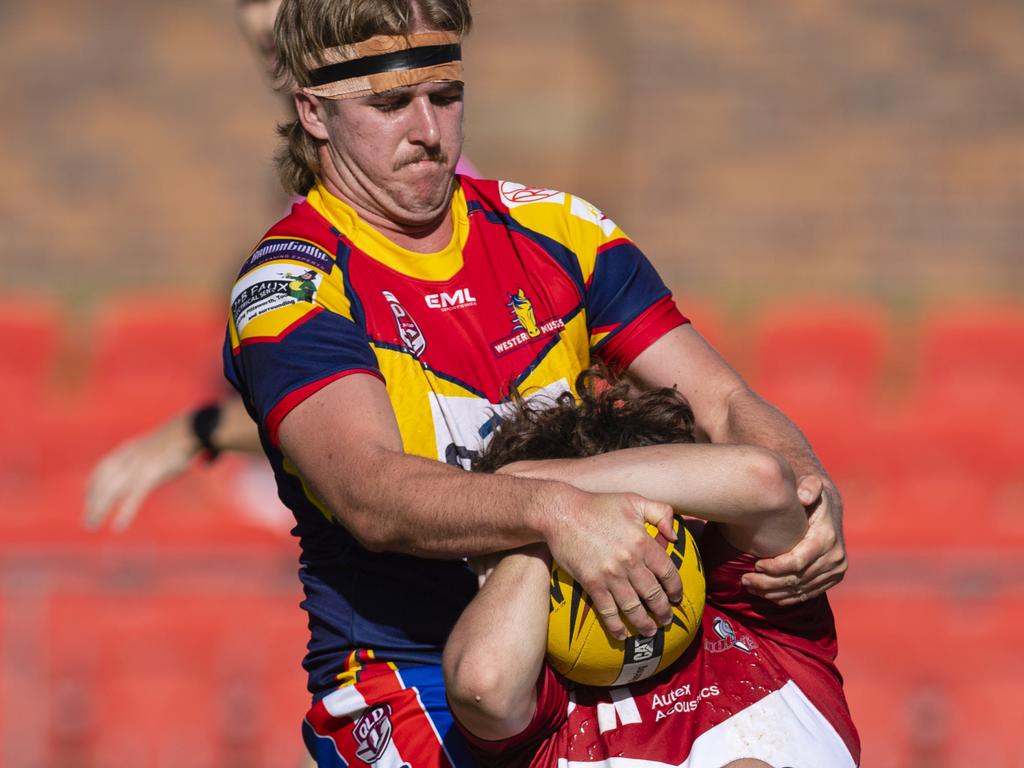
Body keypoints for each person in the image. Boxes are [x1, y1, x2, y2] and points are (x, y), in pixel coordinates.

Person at [222, 1, 849, 765]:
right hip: (413, 675)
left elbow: (723, 401)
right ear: (313, 113)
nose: (429, 131)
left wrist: (808, 487)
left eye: (446, 97)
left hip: (601, 641)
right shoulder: (290, 285)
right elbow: (370, 492)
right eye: (389, 104)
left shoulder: (561, 230)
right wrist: (554, 509)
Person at [81, 0, 482, 533]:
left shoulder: (419, 186)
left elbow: (385, 396)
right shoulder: (322, 194)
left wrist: (200, 431)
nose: (262, 23)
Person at [443, 373, 860, 766]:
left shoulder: (754, 613)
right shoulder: (548, 707)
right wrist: (540, 520)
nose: (621, 558)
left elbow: (763, 481)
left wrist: (524, 482)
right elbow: (483, 687)